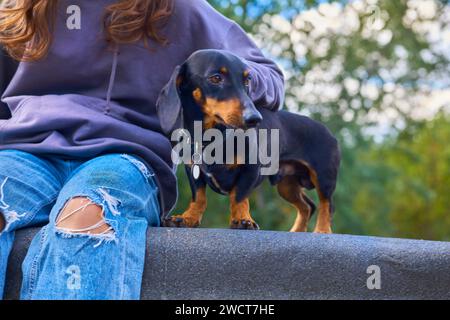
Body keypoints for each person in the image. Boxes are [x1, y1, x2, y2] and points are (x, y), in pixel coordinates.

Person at [0, 0, 285, 300]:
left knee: (88, 214)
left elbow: (270, 76)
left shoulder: (177, 8)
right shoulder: (23, 9)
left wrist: (218, 82)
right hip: (24, 149)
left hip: (126, 153)